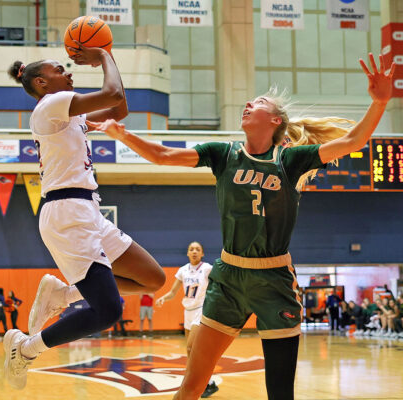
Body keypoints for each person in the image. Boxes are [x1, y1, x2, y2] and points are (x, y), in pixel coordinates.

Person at [95, 53, 393, 400]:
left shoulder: (291, 160)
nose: (249, 103)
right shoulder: (223, 154)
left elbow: (352, 142)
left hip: (274, 280)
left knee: (280, 392)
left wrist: (379, 102)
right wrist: (122, 135)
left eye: (260, 102)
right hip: (228, 279)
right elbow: (163, 156)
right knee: (191, 386)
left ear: (276, 120)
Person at [2, 39, 165, 390]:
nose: (68, 71)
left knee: (152, 279)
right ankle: (26, 349)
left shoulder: (67, 113)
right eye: (58, 69)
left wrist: (106, 60)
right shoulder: (51, 104)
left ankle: (63, 295)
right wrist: (104, 54)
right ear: (41, 83)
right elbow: (111, 93)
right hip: (67, 213)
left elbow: (117, 108)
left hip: (87, 209)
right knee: (108, 312)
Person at [156, 242, 218, 398]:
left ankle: (206, 382)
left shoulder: (207, 268)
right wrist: (164, 297)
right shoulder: (183, 270)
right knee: (190, 351)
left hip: (201, 310)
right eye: (192, 249)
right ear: (188, 253)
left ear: (202, 253)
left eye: (198, 249)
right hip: (188, 311)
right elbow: (172, 292)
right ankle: (206, 382)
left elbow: (218, 284)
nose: (195, 251)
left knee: (192, 348)